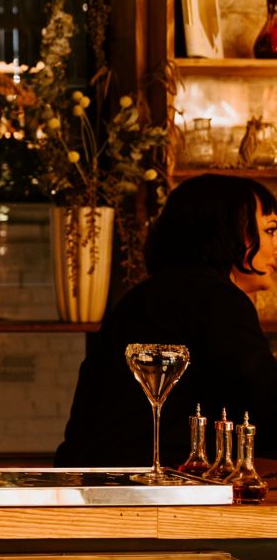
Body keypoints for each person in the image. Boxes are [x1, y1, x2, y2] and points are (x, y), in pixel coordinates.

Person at [55, 173, 277, 468]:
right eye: (271, 230)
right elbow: (265, 405)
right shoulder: (212, 298)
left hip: (101, 478)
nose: (276, 245)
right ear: (231, 230)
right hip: (145, 489)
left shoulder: (153, 294)